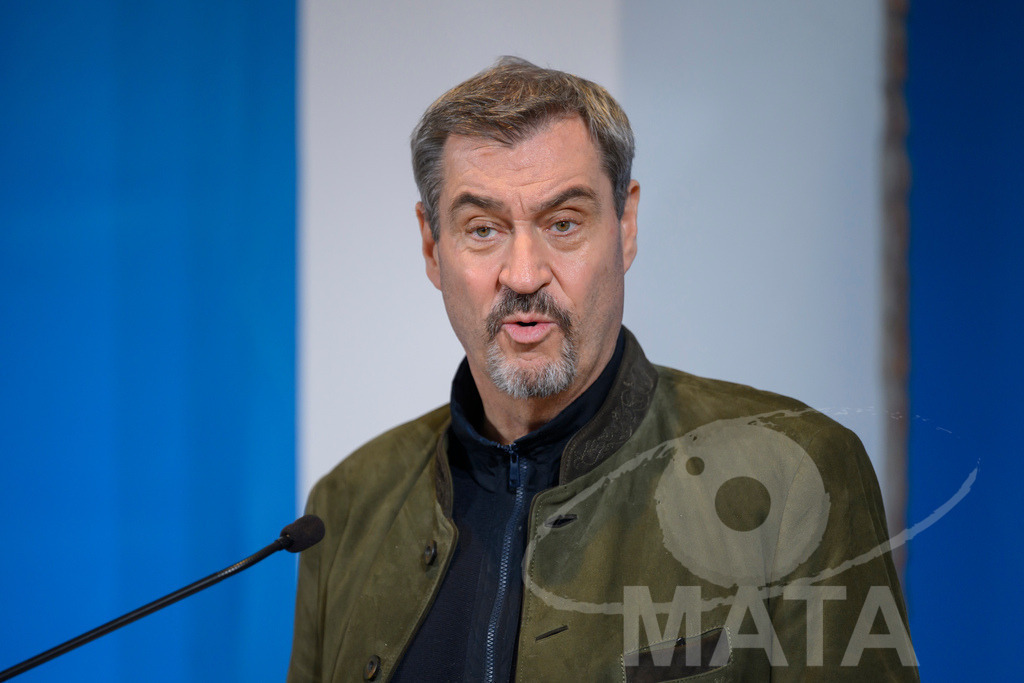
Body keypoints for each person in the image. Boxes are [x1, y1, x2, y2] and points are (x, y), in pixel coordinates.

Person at [287, 57, 917, 683]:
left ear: (627, 225)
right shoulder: (346, 508)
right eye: (483, 229)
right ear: (431, 247)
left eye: (563, 224)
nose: (525, 274)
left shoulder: (794, 474)